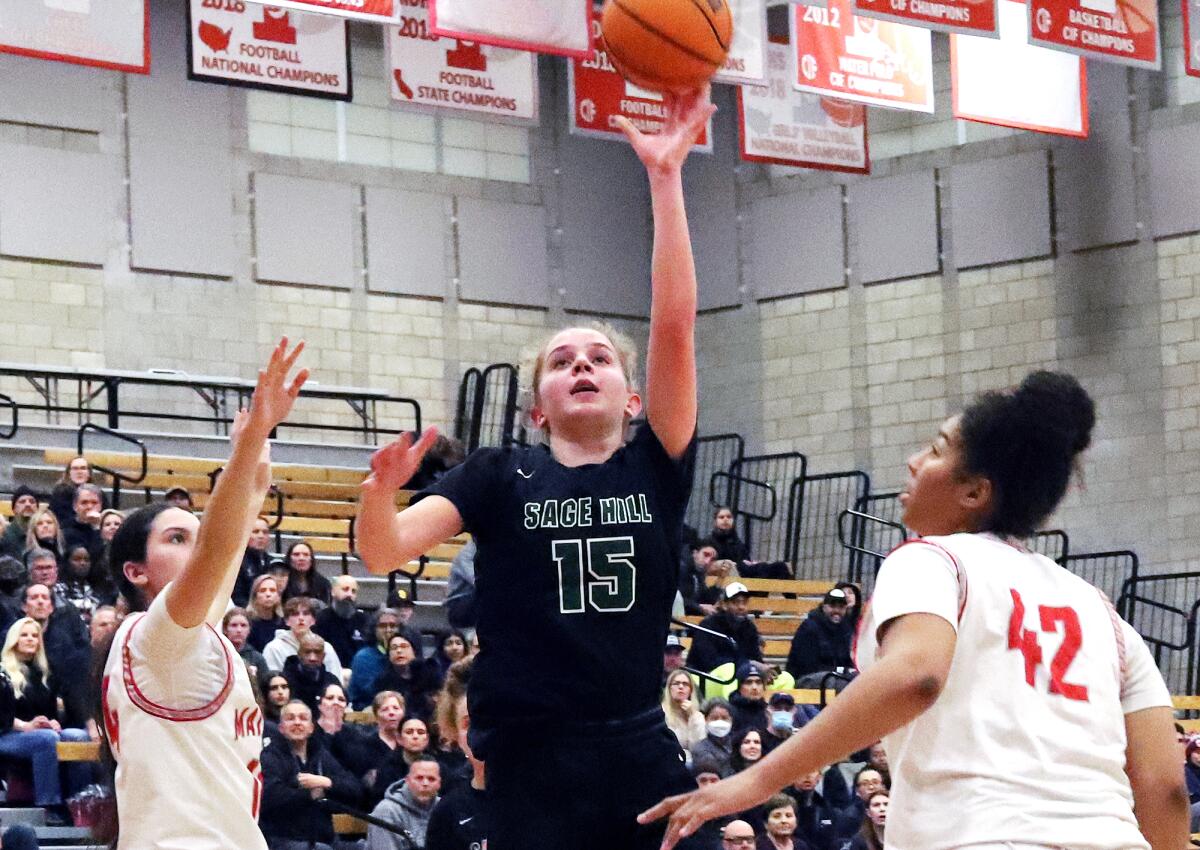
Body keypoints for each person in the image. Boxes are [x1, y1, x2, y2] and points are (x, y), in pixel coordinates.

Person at [356, 87, 714, 850]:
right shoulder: (495, 474)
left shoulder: (657, 462)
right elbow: (383, 550)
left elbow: (675, 323)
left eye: (600, 358)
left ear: (632, 396)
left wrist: (665, 178)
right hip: (529, 758)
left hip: (636, 743)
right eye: (561, 362)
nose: (582, 364)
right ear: (537, 409)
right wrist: (379, 492)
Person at [640, 371, 1189, 850]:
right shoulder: (1102, 611)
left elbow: (917, 675)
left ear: (974, 492)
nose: (913, 460)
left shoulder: (933, 559)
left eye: (936, 449)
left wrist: (754, 782)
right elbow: (1164, 792)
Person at [96, 338, 307, 850]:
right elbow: (218, 549)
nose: (195, 546)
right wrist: (252, 439)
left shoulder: (194, 633)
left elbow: (228, 542)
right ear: (136, 571)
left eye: (195, 533)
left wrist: (253, 454)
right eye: (175, 538)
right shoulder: (153, 638)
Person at [0, 617, 90, 814]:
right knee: (46, 739)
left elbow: (51, 712)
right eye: (24, 635)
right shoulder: (2, 672)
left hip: (38, 732)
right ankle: (49, 805)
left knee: (78, 736)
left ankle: (81, 803)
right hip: (7, 734)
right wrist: (26, 726)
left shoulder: (46, 673)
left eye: (34, 635)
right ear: (14, 639)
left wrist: (53, 722)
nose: (31, 639)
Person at [260, 699, 362, 850]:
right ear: (280, 728)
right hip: (283, 840)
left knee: (366, 847)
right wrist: (310, 794)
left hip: (325, 838)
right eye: (290, 718)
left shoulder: (320, 755)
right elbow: (271, 796)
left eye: (303, 718)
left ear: (311, 728)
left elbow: (355, 789)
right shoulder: (270, 756)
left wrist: (326, 782)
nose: (297, 722)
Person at [424, 657, 487, 850]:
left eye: (486, 717)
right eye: (467, 722)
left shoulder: (544, 799)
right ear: (453, 732)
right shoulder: (448, 812)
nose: (479, 731)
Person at [686, 584, 763, 677]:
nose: (741, 607)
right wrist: (748, 664)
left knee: (782, 677)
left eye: (744, 603)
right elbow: (709, 661)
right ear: (724, 605)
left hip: (742, 676)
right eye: (736, 602)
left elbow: (756, 658)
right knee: (728, 671)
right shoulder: (708, 625)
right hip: (705, 676)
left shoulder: (749, 627)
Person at [367, 755, 441, 850]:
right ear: (407, 780)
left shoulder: (444, 809)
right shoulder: (387, 811)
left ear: (439, 783)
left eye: (431, 779)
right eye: (419, 778)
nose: (425, 783)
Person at [784, 589, 852, 687]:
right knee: (834, 682)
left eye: (841, 607)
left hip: (835, 677)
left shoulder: (846, 629)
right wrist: (840, 670)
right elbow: (807, 667)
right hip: (804, 679)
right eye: (832, 606)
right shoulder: (809, 628)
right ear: (824, 607)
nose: (837, 611)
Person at [263, 596, 343, 679]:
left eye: (306, 614)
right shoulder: (274, 648)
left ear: (313, 620)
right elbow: (271, 681)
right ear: (286, 621)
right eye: (295, 614)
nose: (301, 618)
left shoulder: (326, 648)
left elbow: (336, 680)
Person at [371, 633, 442, 720]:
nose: (399, 651)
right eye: (394, 648)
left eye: (404, 646)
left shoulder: (430, 674)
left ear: (414, 651)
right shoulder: (382, 681)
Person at [349, 608, 403, 710]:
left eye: (393, 626)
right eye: (383, 626)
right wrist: (389, 661)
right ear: (374, 629)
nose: (388, 630)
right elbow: (370, 692)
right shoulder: (363, 657)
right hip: (368, 708)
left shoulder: (405, 653)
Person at [313, 575, 369, 668]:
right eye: (345, 589)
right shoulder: (320, 620)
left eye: (353, 591)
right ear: (333, 592)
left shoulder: (364, 620)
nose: (349, 594)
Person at [282, 632, 340, 715]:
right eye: (307, 652)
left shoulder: (332, 681)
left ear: (323, 656)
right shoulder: (285, 681)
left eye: (317, 652)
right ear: (299, 654)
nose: (312, 658)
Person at [223, 606, 272, 696]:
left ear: (249, 630)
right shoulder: (218, 656)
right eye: (234, 625)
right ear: (225, 629)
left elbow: (265, 689)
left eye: (243, 625)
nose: (239, 630)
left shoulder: (257, 659)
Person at [48, 456, 104, 528]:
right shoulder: (60, 494)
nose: (79, 472)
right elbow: (59, 521)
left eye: (83, 468)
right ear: (69, 473)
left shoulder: (99, 493)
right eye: (75, 468)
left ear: (89, 473)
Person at [232, 515, 272, 608]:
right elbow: (237, 597)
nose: (261, 536)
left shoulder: (271, 562)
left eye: (265, 532)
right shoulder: (236, 562)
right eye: (255, 532)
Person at [663, 669, 706, 755]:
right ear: (669, 688)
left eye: (685, 684)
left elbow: (699, 748)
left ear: (690, 691)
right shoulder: (662, 713)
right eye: (676, 683)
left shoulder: (697, 716)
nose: (681, 687)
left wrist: (692, 716)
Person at [691, 698, 735, 778]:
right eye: (714, 718)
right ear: (706, 720)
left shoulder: (737, 744)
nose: (720, 722)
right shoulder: (700, 748)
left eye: (724, 718)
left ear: (731, 720)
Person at [61, 484, 104, 559]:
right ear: (75, 506)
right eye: (84, 503)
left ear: (100, 506)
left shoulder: (107, 527)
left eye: (94, 503)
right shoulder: (66, 529)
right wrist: (96, 528)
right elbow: (92, 556)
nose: (89, 507)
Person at [728, 662, 771, 735]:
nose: (754, 687)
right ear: (739, 687)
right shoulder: (729, 711)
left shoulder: (768, 712)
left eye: (758, 682)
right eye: (748, 682)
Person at [246, 574, 285, 652]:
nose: (268, 594)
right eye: (263, 590)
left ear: (278, 596)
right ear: (255, 597)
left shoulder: (283, 624)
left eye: (272, 590)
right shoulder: (246, 622)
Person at [0, 486, 39, 560]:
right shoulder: (3, 534)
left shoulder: (43, 533)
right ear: (14, 509)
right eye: (22, 501)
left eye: (32, 501)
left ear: (37, 508)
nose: (28, 504)